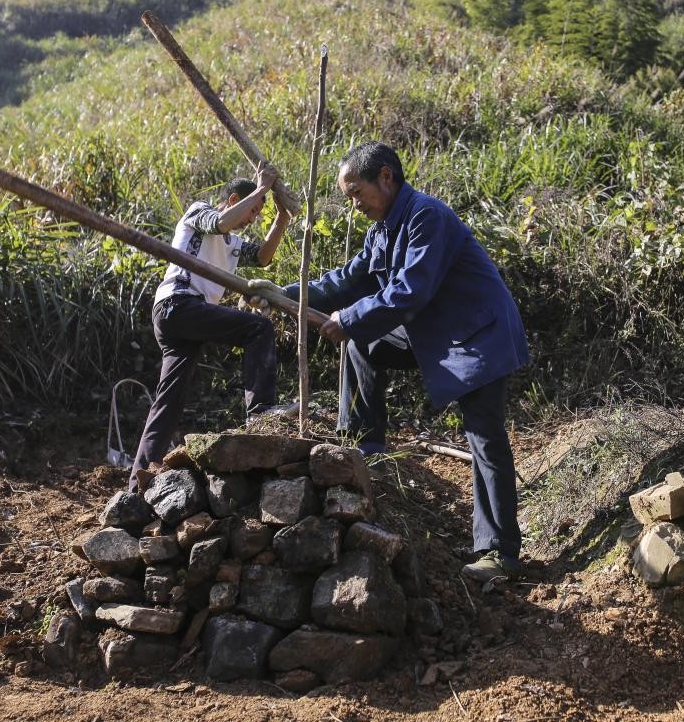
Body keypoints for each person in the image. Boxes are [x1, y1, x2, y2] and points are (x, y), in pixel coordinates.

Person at [282, 141, 529, 582]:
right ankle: (364, 446)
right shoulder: (381, 229)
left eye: (356, 192)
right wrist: (287, 294)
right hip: (435, 333)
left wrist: (351, 316)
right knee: (362, 343)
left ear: (386, 178)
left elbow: (411, 290)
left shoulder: (425, 217)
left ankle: (500, 552)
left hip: (477, 334)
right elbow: (347, 279)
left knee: (484, 438)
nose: (353, 204)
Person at [129, 166, 290, 491]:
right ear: (233, 200)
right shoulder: (199, 214)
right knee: (258, 329)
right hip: (179, 303)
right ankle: (261, 412)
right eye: (252, 210)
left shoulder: (233, 243)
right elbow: (220, 222)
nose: (252, 218)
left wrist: (282, 216)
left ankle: (136, 487)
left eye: (257, 214)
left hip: (187, 320)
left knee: (169, 402)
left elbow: (262, 257)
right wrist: (261, 188)